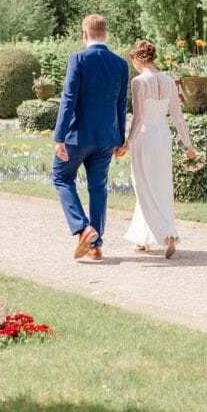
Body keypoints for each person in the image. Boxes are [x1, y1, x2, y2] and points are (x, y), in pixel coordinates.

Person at [52, 14, 129, 262]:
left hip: (78, 136)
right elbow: (120, 103)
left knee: (61, 177)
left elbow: (69, 99)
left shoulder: (78, 59)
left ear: (84, 34)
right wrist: (120, 138)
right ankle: (95, 246)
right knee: (98, 187)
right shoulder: (120, 64)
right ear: (105, 34)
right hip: (106, 137)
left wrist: (60, 136)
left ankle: (83, 228)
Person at [124, 39, 196, 258]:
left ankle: (167, 234)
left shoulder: (138, 82)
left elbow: (139, 118)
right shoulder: (168, 81)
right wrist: (188, 145)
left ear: (137, 58)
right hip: (163, 136)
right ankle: (143, 238)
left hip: (144, 137)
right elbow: (177, 116)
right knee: (160, 186)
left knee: (143, 186)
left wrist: (128, 141)